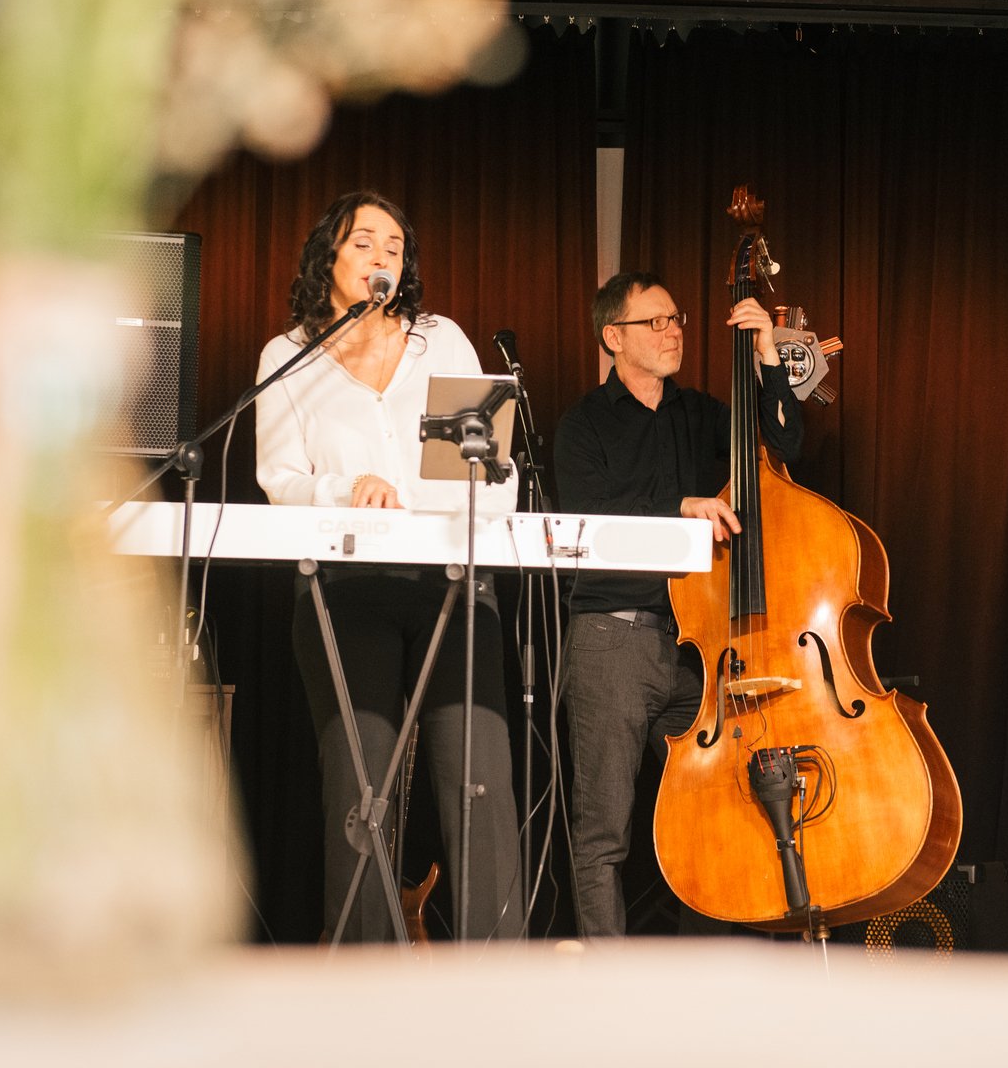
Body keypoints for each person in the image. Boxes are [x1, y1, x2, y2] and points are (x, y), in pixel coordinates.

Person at [256, 190, 523, 942]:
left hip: (453, 584)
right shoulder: (287, 356)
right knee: (360, 791)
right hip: (347, 588)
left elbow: (492, 472)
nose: (382, 258)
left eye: (395, 249)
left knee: (478, 785)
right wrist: (347, 491)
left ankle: (500, 978)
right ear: (329, 257)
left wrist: (422, 500)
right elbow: (280, 479)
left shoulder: (443, 341)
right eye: (364, 243)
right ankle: (362, 976)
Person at [553, 271, 803, 936]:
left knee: (719, 813)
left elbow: (782, 449)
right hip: (614, 639)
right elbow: (588, 515)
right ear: (614, 337)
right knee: (604, 829)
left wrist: (767, 357)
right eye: (655, 322)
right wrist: (679, 509)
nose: (673, 332)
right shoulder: (583, 425)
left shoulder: (700, 414)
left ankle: (706, 973)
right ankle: (605, 975)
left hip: (697, 646)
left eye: (676, 320)